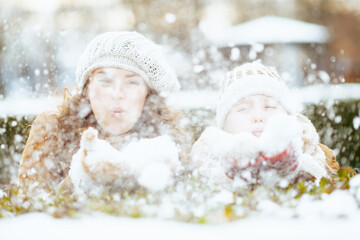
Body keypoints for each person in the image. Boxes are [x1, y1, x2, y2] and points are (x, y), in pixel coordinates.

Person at [18, 31, 189, 195]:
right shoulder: (54, 130)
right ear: (87, 89)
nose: (117, 93)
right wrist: (79, 180)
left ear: (148, 94)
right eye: (105, 81)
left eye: (131, 83)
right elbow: (29, 208)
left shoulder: (166, 143)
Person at [191, 61, 339, 188]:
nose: (258, 117)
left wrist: (299, 166)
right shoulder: (205, 162)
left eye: (269, 107)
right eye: (243, 109)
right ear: (224, 124)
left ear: (288, 116)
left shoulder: (317, 154)